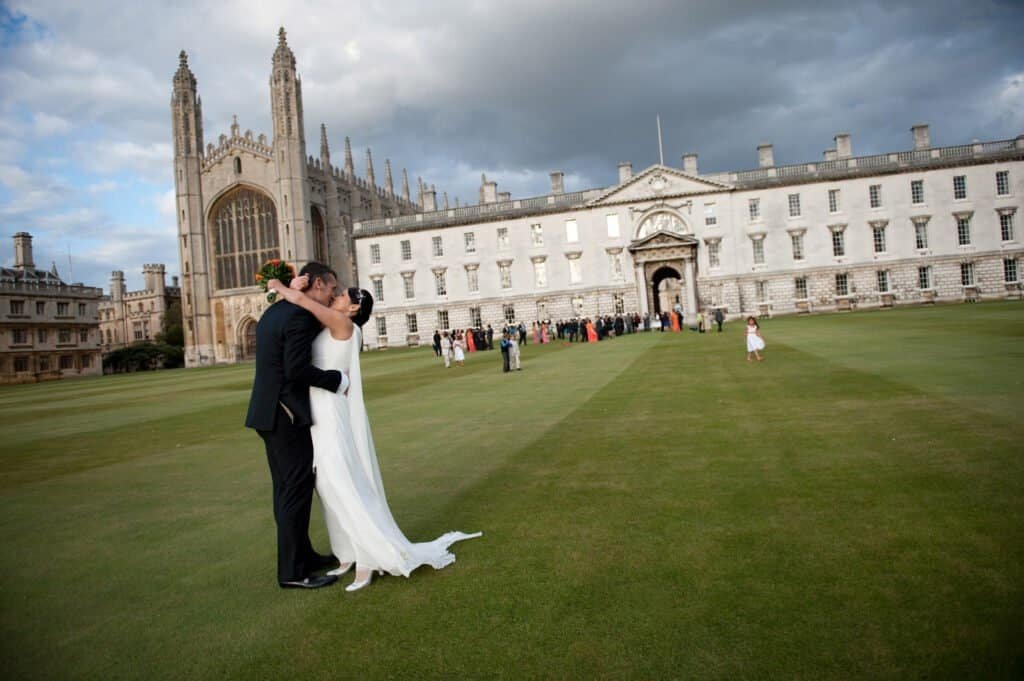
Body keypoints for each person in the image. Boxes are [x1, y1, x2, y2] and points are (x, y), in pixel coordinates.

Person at [268, 275, 482, 592]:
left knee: (339, 482)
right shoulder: (332, 325)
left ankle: (368, 558)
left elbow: (302, 302)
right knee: (327, 485)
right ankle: (347, 552)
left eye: (342, 296)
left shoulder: (343, 325)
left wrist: (279, 284)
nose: (336, 297)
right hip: (316, 410)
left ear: (353, 307)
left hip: (329, 410)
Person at [245, 262, 348, 590]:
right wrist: (337, 379)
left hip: (266, 413)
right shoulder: (299, 316)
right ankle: (292, 572)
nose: (333, 294)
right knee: (295, 490)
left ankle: (304, 556)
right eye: (331, 288)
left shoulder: (275, 310)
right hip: (285, 414)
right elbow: (297, 370)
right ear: (317, 284)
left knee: (285, 489)